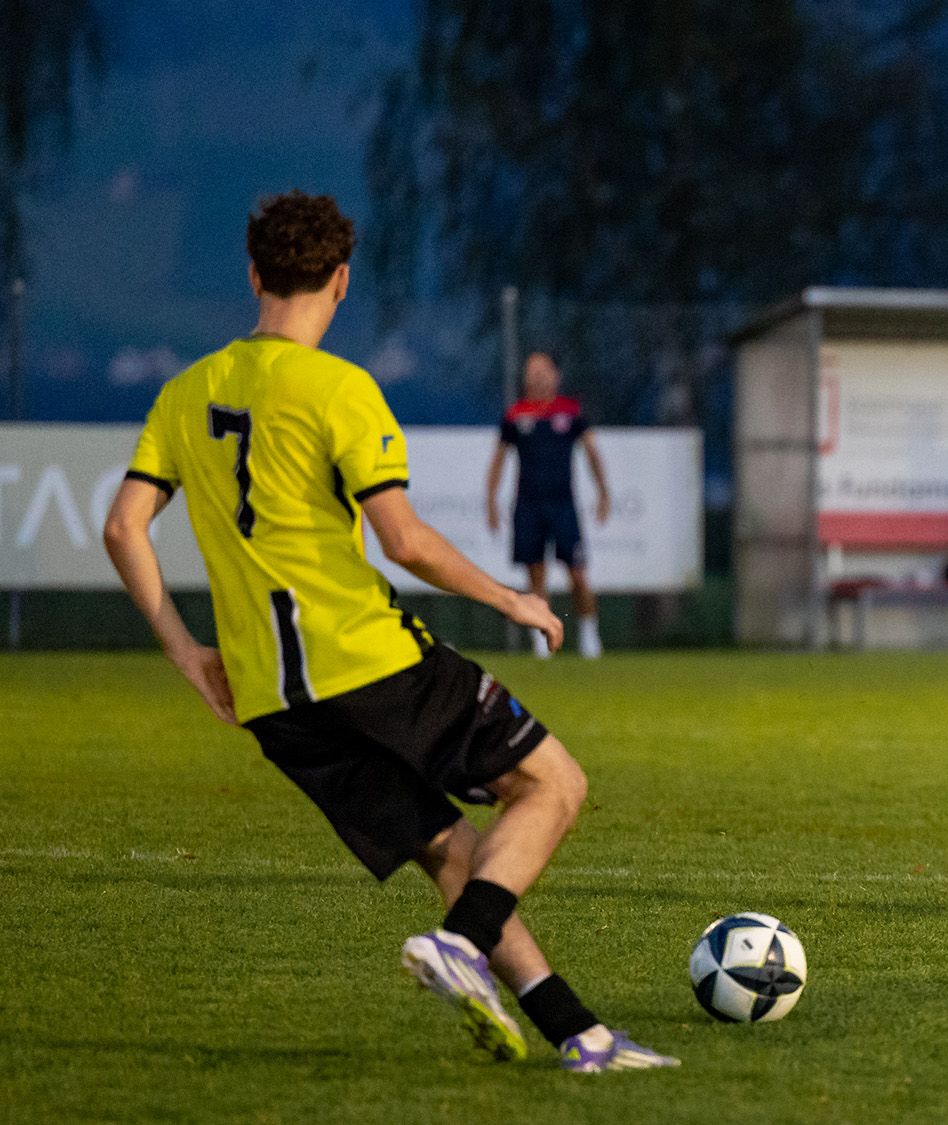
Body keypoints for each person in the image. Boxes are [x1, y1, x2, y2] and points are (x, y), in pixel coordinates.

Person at [102, 190, 677, 1072]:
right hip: (365, 658)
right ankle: (462, 946)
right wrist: (510, 599)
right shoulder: (339, 387)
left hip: (271, 701)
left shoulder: (186, 394)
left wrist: (186, 652)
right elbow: (403, 539)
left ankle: (579, 1033)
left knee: (450, 847)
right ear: (340, 280)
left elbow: (122, 526)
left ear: (255, 274)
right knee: (553, 784)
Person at [485, 353, 610, 659]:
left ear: (556, 375)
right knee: (536, 577)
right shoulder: (516, 414)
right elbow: (498, 460)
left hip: (563, 504)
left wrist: (603, 492)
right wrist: (490, 500)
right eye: (532, 371)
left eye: (544, 370)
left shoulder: (571, 411)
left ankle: (589, 635)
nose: (538, 376)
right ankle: (542, 640)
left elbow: (592, 451)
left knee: (577, 573)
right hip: (528, 505)